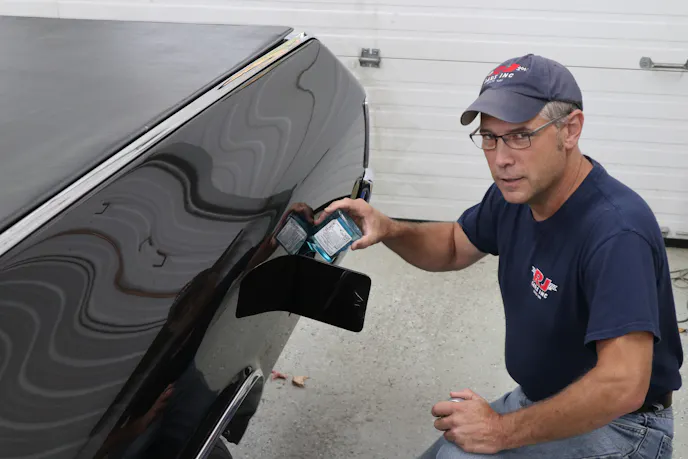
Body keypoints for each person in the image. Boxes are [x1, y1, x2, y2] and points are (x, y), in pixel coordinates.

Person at [315, 54, 683, 458]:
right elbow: (453, 244)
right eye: (489, 137)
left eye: (520, 135)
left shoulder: (616, 232)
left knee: (457, 455)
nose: (501, 158)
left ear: (570, 129)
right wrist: (390, 229)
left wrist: (500, 430)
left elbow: (622, 384)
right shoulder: (516, 196)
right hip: (545, 397)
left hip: (624, 427)